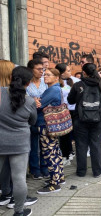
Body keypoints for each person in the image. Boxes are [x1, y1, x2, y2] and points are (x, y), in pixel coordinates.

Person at [0, 66, 37, 216]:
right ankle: (19, 212)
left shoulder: (1, 93)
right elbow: (33, 121)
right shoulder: (29, 101)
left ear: (11, 78)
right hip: (20, 143)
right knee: (19, 178)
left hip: (1, 141)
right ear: (28, 83)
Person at [68, 63, 101, 177]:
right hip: (98, 120)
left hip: (80, 119)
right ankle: (97, 171)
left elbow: (70, 100)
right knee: (96, 145)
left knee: (81, 146)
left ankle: (81, 172)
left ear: (84, 73)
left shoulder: (78, 85)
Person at [35, 68, 65, 194]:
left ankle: (54, 183)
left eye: (48, 75)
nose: (44, 76)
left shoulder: (52, 90)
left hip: (46, 125)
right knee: (55, 151)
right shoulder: (55, 88)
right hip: (51, 125)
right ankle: (59, 177)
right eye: (44, 74)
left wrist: (35, 100)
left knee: (49, 152)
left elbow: (38, 105)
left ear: (56, 77)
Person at [26, 59, 49, 180]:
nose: (42, 71)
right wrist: (32, 101)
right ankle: (35, 169)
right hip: (30, 116)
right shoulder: (27, 83)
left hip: (44, 115)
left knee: (44, 143)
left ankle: (45, 168)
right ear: (31, 70)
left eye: (43, 69)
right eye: (39, 69)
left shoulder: (45, 82)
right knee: (33, 144)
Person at [55, 63, 80, 166]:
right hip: (62, 111)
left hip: (74, 110)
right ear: (61, 73)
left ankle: (72, 153)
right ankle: (66, 154)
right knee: (64, 134)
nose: (70, 72)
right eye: (68, 71)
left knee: (75, 132)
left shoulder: (75, 81)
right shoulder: (56, 82)